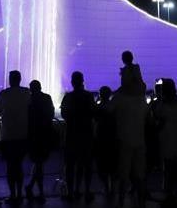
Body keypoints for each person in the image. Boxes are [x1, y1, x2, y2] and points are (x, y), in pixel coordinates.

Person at [111, 78, 149, 207]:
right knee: (139, 175)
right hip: (139, 140)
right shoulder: (141, 101)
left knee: (124, 174)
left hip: (124, 140)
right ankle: (141, 202)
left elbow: (109, 109)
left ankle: (121, 201)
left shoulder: (120, 99)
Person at [60, 71, 95, 201]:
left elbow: (64, 114)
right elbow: (93, 113)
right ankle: (85, 190)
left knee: (70, 165)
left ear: (72, 82)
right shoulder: (88, 96)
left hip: (72, 134)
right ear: (83, 81)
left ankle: (70, 192)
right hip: (86, 134)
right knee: (85, 164)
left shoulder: (68, 97)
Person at [0, 70, 31, 203]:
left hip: (7, 135)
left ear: (10, 80)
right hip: (23, 134)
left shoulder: (4, 94)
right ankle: (19, 193)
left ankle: (12, 195)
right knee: (18, 165)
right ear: (20, 79)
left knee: (11, 166)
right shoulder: (26, 93)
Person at [153, 79, 177, 206]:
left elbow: (157, 118)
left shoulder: (161, 103)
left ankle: (168, 191)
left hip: (166, 135)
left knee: (167, 166)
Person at [26, 80, 56, 200]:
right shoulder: (46, 98)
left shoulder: (28, 100)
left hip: (33, 135)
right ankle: (39, 192)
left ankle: (33, 188)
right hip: (44, 134)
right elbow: (52, 113)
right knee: (39, 163)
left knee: (38, 163)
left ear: (31, 89)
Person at [93, 86, 117, 198]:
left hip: (101, 139)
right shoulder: (114, 107)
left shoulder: (98, 107)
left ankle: (107, 188)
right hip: (112, 139)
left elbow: (95, 121)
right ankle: (112, 188)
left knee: (102, 165)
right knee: (112, 165)